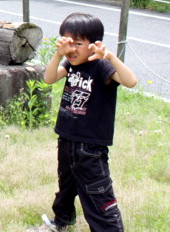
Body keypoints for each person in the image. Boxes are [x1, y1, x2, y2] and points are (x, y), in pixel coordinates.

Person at [30, 12, 137, 232]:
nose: (72, 49)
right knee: (66, 185)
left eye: (78, 43)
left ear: (95, 45)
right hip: (67, 138)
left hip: (90, 147)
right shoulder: (70, 65)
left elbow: (131, 81)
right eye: (68, 42)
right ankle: (61, 221)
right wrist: (58, 54)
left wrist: (109, 57)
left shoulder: (101, 66)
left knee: (97, 191)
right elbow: (49, 78)